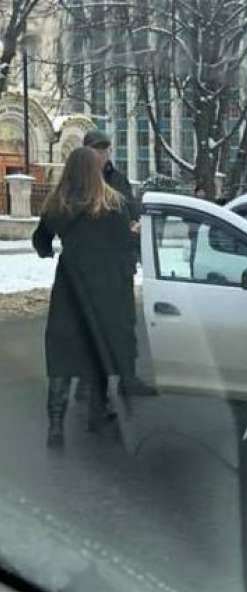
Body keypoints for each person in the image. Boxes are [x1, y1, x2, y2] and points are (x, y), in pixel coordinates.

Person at [32, 147, 138, 448]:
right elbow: (123, 245)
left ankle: (55, 423)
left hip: (69, 285)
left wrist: (48, 251)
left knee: (62, 351)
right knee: (96, 346)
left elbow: (41, 240)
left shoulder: (57, 203)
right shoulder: (113, 202)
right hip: (103, 286)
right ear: (95, 170)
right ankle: (97, 413)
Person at [81, 130, 156, 397]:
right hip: (92, 271)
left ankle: (128, 379)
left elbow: (133, 214)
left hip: (121, 267)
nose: (102, 154)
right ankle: (87, 383)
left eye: (105, 149)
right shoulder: (78, 183)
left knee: (125, 325)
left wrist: (135, 229)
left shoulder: (119, 180)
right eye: (96, 149)